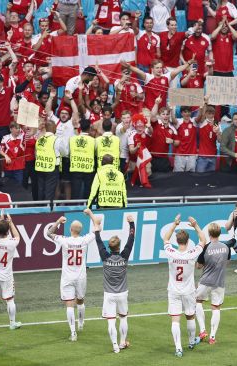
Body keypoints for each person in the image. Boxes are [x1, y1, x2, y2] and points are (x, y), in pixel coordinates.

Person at [45, 210, 100, 342]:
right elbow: (98, 228)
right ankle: (80, 323)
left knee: (69, 305)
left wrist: (58, 221)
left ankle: (73, 332)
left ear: (70, 229)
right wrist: (90, 214)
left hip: (67, 277)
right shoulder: (84, 240)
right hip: (81, 277)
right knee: (80, 300)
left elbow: (49, 233)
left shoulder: (64, 240)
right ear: (80, 230)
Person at [90, 210, 135, 354]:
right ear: (119, 247)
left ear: (109, 247)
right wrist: (131, 223)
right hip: (122, 293)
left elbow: (98, 241)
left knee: (111, 320)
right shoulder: (124, 256)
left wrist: (97, 229)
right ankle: (122, 342)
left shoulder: (105, 257)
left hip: (109, 294)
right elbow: (131, 239)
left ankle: (115, 346)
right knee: (123, 318)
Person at [163, 214, 206, 357]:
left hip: (174, 290)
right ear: (188, 242)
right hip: (188, 291)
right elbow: (203, 240)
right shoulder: (192, 254)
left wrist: (175, 224)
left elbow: (165, 239)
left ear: (177, 240)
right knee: (190, 316)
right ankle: (191, 342)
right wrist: (195, 225)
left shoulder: (171, 252)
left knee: (175, 319)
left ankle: (178, 348)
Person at [195, 223, 231, 345]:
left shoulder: (205, 248)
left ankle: (202, 330)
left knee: (197, 302)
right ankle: (212, 337)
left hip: (205, 281)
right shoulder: (226, 247)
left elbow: (198, 266)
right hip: (219, 282)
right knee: (216, 307)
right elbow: (227, 263)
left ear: (209, 234)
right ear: (219, 233)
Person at [35, 121, 64, 201]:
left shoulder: (39, 139)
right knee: (49, 191)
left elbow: (36, 153)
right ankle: (47, 210)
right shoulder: (57, 139)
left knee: (41, 190)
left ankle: (40, 208)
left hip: (40, 167)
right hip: (52, 168)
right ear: (54, 128)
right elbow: (64, 152)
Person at [69, 119, 96, 200]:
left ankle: (74, 208)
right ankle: (86, 207)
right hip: (88, 168)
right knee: (87, 191)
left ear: (80, 127)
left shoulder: (72, 139)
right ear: (89, 128)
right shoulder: (93, 140)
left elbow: (68, 152)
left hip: (76, 167)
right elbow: (95, 152)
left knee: (75, 191)